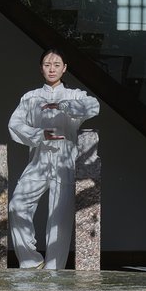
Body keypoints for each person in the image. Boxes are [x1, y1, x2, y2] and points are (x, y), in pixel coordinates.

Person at [8, 49, 100, 269]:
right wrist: (39, 134)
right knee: (17, 205)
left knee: (59, 219)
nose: (52, 69)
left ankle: (54, 271)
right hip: (38, 161)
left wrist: (63, 105)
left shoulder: (74, 95)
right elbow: (14, 124)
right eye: (47, 64)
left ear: (64, 68)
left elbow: (94, 107)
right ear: (41, 68)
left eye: (57, 64)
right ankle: (30, 261)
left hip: (64, 161)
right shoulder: (30, 97)